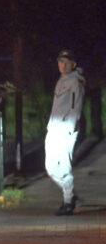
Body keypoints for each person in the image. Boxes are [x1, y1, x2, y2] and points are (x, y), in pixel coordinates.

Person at [45, 49, 85, 216]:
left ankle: (68, 202)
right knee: (51, 168)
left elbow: (76, 107)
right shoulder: (62, 80)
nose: (62, 65)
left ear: (73, 64)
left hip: (64, 130)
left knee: (64, 167)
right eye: (60, 62)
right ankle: (71, 196)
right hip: (53, 129)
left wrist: (69, 129)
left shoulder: (75, 81)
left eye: (66, 62)